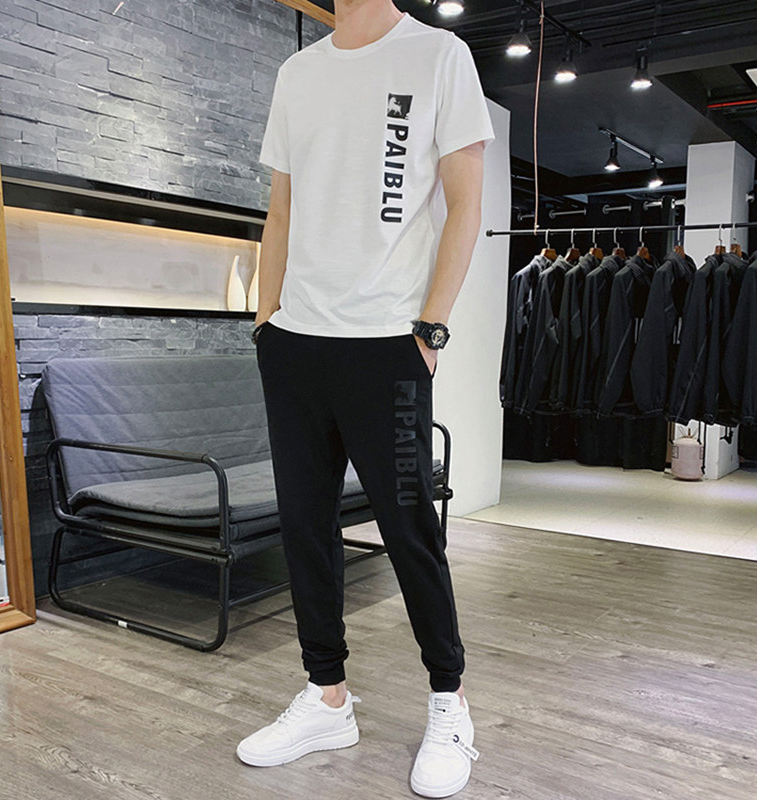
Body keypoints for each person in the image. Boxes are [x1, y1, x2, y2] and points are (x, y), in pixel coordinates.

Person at [236, 0, 494, 796]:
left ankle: (449, 703)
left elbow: (467, 203)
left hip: (388, 346)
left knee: (410, 527)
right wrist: (265, 319)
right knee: (305, 528)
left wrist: (431, 329)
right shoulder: (297, 73)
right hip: (295, 344)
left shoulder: (439, 56)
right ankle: (327, 697)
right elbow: (282, 208)